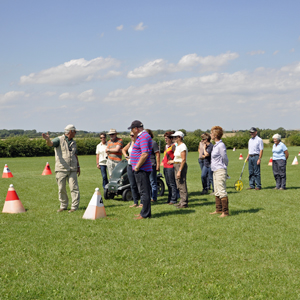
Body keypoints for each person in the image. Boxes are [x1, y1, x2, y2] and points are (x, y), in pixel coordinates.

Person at [42, 124, 80, 213]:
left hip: (73, 168)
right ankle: (63, 206)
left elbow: (75, 155)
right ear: (71, 131)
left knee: (74, 188)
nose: (75, 133)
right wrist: (47, 140)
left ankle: (74, 207)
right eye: (75, 131)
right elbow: (50, 144)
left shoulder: (74, 142)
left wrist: (78, 166)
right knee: (61, 188)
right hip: (61, 168)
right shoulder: (58, 139)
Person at [128, 120, 152, 219]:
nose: (132, 132)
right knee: (142, 191)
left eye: (132, 129)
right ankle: (144, 212)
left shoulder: (143, 137)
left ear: (136, 129)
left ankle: (145, 214)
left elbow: (144, 154)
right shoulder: (141, 137)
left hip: (142, 169)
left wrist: (137, 166)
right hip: (140, 169)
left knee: (144, 192)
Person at [209, 126, 229, 217]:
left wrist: (224, 167)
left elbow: (225, 157)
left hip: (220, 169)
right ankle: (218, 209)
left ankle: (225, 212)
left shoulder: (221, 145)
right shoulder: (215, 145)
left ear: (215, 135)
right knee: (216, 190)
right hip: (215, 170)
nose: (210, 135)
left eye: (211, 133)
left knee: (221, 190)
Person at [168, 131, 188, 208]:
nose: (173, 138)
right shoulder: (178, 146)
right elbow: (178, 158)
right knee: (178, 185)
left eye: (175, 137)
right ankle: (181, 201)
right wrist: (172, 161)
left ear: (180, 137)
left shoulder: (183, 146)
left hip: (180, 166)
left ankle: (184, 203)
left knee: (182, 184)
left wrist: (179, 171)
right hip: (176, 164)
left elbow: (183, 159)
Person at [122, 131, 140, 207]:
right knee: (132, 184)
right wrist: (126, 156)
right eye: (131, 135)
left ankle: (142, 202)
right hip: (130, 166)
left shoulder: (139, 143)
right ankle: (135, 202)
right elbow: (123, 150)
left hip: (137, 166)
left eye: (133, 135)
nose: (132, 136)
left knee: (139, 184)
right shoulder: (130, 143)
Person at [161, 131, 177, 205]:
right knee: (168, 183)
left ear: (171, 139)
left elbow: (177, 155)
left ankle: (173, 199)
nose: (166, 140)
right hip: (165, 166)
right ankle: (169, 198)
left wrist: (173, 161)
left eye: (167, 138)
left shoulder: (173, 146)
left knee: (172, 183)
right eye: (165, 138)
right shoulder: (166, 146)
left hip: (171, 167)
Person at [145, 129, 160, 203]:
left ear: (150, 134)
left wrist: (158, 165)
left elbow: (157, 154)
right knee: (147, 182)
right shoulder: (144, 143)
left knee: (152, 182)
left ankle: (154, 198)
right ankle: (149, 197)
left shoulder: (153, 143)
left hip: (152, 164)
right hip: (145, 165)